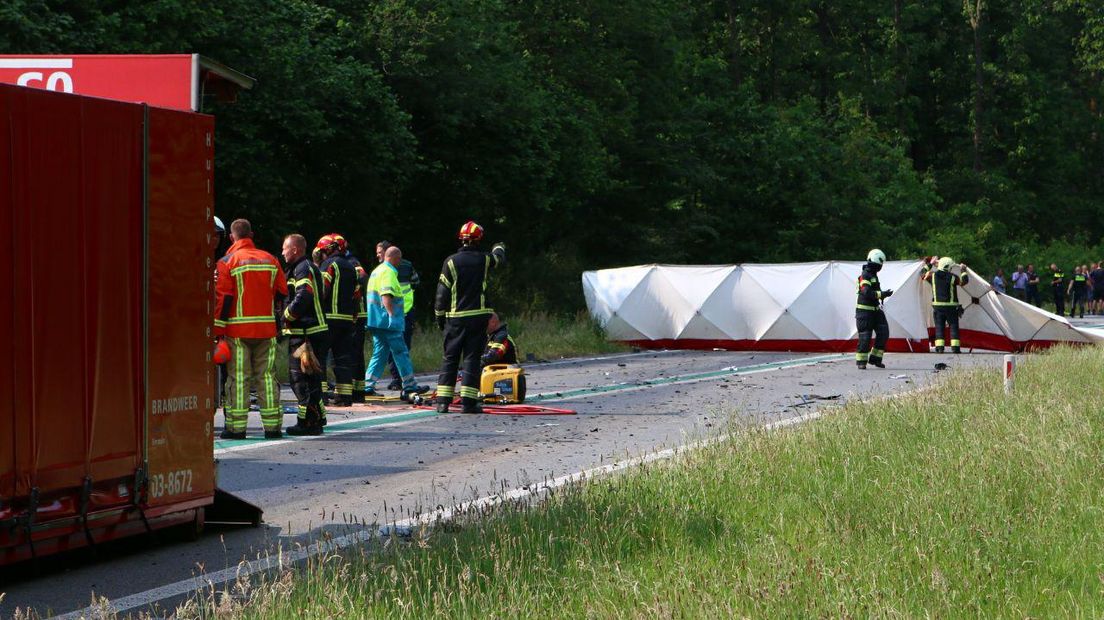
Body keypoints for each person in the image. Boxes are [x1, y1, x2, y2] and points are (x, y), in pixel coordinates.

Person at [214, 219, 288, 440]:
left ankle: (237, 429)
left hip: (237, 332)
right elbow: (283, 292)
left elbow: (224, 299)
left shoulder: (227, 261)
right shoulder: (271, 259)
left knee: (238, 379)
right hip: (266, 330)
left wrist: (217, 331)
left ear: (231, 237)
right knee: (266, 377)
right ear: (252, 235)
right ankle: (273, 427)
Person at [435, 222, 507, 412]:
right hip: (477, 317)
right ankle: (468, 402)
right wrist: (499, 247)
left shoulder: (450, 261)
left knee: (450, 357)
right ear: (478, 240)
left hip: (455, 318)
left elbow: (442, 293)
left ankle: (443, 402)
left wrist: (439, 317)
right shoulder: (483, 259)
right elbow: (499, 259)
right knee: (472, 358)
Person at [363, 246, 430, 398]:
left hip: (376, 320)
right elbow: (386, 295)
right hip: (388, 322)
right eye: (399, 259)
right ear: (395, 258)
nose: (400, 263)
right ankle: (410, 385)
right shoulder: (389, 272)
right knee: (401, 352)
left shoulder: (377, 271)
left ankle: (367, 385)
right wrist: (392, 315)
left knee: (380, 353)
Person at [280, 233, 329, 436]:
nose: (282, 252)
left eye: (285, 248)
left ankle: (308, 423)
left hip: (308, 334)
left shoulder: (303, 268)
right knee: (311, 379)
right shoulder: (300, 268)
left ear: (295, 249)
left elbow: (304, 295)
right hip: (307, 333)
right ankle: (317, 419)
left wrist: (286, 315)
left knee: (300, 379)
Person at [317, 234, 359, 406]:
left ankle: (321, 396)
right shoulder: (351, 266)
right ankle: (344, 397)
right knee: (342, 358)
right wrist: (353, 317)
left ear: (329, 249)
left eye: (322, 251)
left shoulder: (329, 264)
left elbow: (322, 290)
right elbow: (357, 296)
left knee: (320, 357)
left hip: (329, 319)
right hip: (346, 320)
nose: (321, 254)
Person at [376, 241, 421, 391]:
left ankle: (398, 380)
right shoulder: (406, 266)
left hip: (392, 314)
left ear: (388, 253)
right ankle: (403, 381)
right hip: (403, 312)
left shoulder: (382, 270)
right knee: (401, 347)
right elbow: (416, 283)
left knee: (392, 348)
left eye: (380, 252)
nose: (378, 256)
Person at [923, 256, 969, 353]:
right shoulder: (953, 278)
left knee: (939, 326)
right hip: (951, 308)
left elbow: (922, 274)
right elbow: (964, 282)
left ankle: (940, 348)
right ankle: (955, 348)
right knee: (953, 326)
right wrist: (963, 270)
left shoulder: (932, 276)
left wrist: (931, 263)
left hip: (938, 307)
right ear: (948, 267)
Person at [855, 249, 892, 369]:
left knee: (883, 333)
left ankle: (875, 359)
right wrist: (882, 294)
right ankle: (861, 362)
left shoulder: (873, 275)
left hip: (875, 310)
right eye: (880, 264)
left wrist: (882, 294)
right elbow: (866, 292)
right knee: (865, 336)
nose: (881, 266)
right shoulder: (865, 275)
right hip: (864, 311)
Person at [344, 242, 370, 403]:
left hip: (356, 314)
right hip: (356, 314)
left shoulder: (352, 263)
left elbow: (363, 278)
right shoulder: (351, 262)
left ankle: (355, 391)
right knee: (355, 354)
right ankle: (357, 391)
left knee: (352, 354)